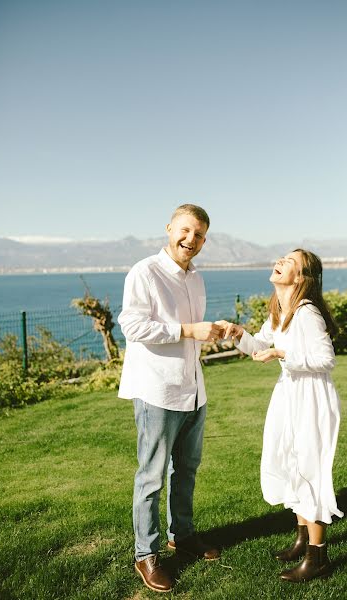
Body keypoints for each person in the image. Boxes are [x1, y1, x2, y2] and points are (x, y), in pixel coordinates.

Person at [218, 249, 343, 583]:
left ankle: (318, 557)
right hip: (288, 394)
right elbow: (261, 345)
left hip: (311, 398)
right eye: (283, 257)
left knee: (309, 471)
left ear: (300, 277)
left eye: (290, 261)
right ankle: (302, 539)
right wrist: (238, 334)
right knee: (290, 463)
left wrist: (282, 353)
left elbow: (325, 359)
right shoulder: (280, 310)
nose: (281, 261)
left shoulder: (306, 313)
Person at [118, 204, 222, 594]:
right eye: (185, 231)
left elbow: (191, 334)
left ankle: (183, 535)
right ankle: (146, 554)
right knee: (151, 477)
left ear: (204, 241)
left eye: (198, 235)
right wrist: (188, 330)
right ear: (169, 229)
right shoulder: (145, 271)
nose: (190, 240)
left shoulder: (195, 278)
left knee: (188, 470)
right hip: (158, 391)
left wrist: (210, 332)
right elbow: (131, 324)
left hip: (193, 389)